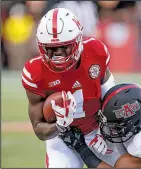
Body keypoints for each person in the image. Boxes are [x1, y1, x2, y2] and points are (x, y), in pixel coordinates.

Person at [21, 8, 126, 168]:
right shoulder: (34, 72)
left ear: (78, 41)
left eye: (64, 47)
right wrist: (59, 126)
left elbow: (111, 101)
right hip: (63, 138)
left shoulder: (95, 52)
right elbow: (38, 128)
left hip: (97, 129)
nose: (58, 55)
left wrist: (107, 130)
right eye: (51, 49)